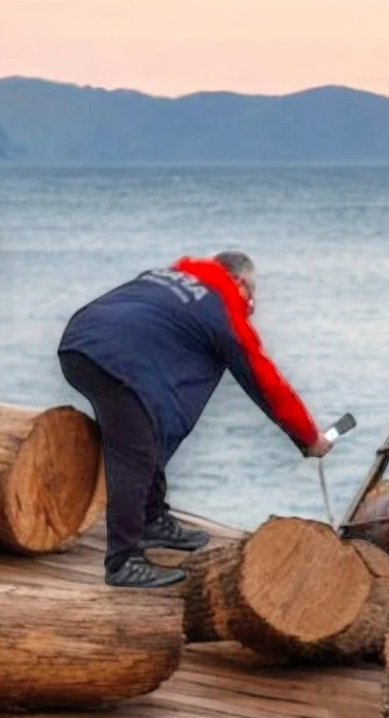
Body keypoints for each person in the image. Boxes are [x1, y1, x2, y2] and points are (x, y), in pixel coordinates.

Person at [58, 252, 332, 588]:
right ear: (240, 283)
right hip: (118, 361)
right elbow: (265, 382)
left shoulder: (165, 276)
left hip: (79, 342)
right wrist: (309, 438)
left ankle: (151, 519)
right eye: (251, 296)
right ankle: (123, 561)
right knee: (135, 455)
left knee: (146, 426)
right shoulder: (223, 306)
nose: (252, 305)